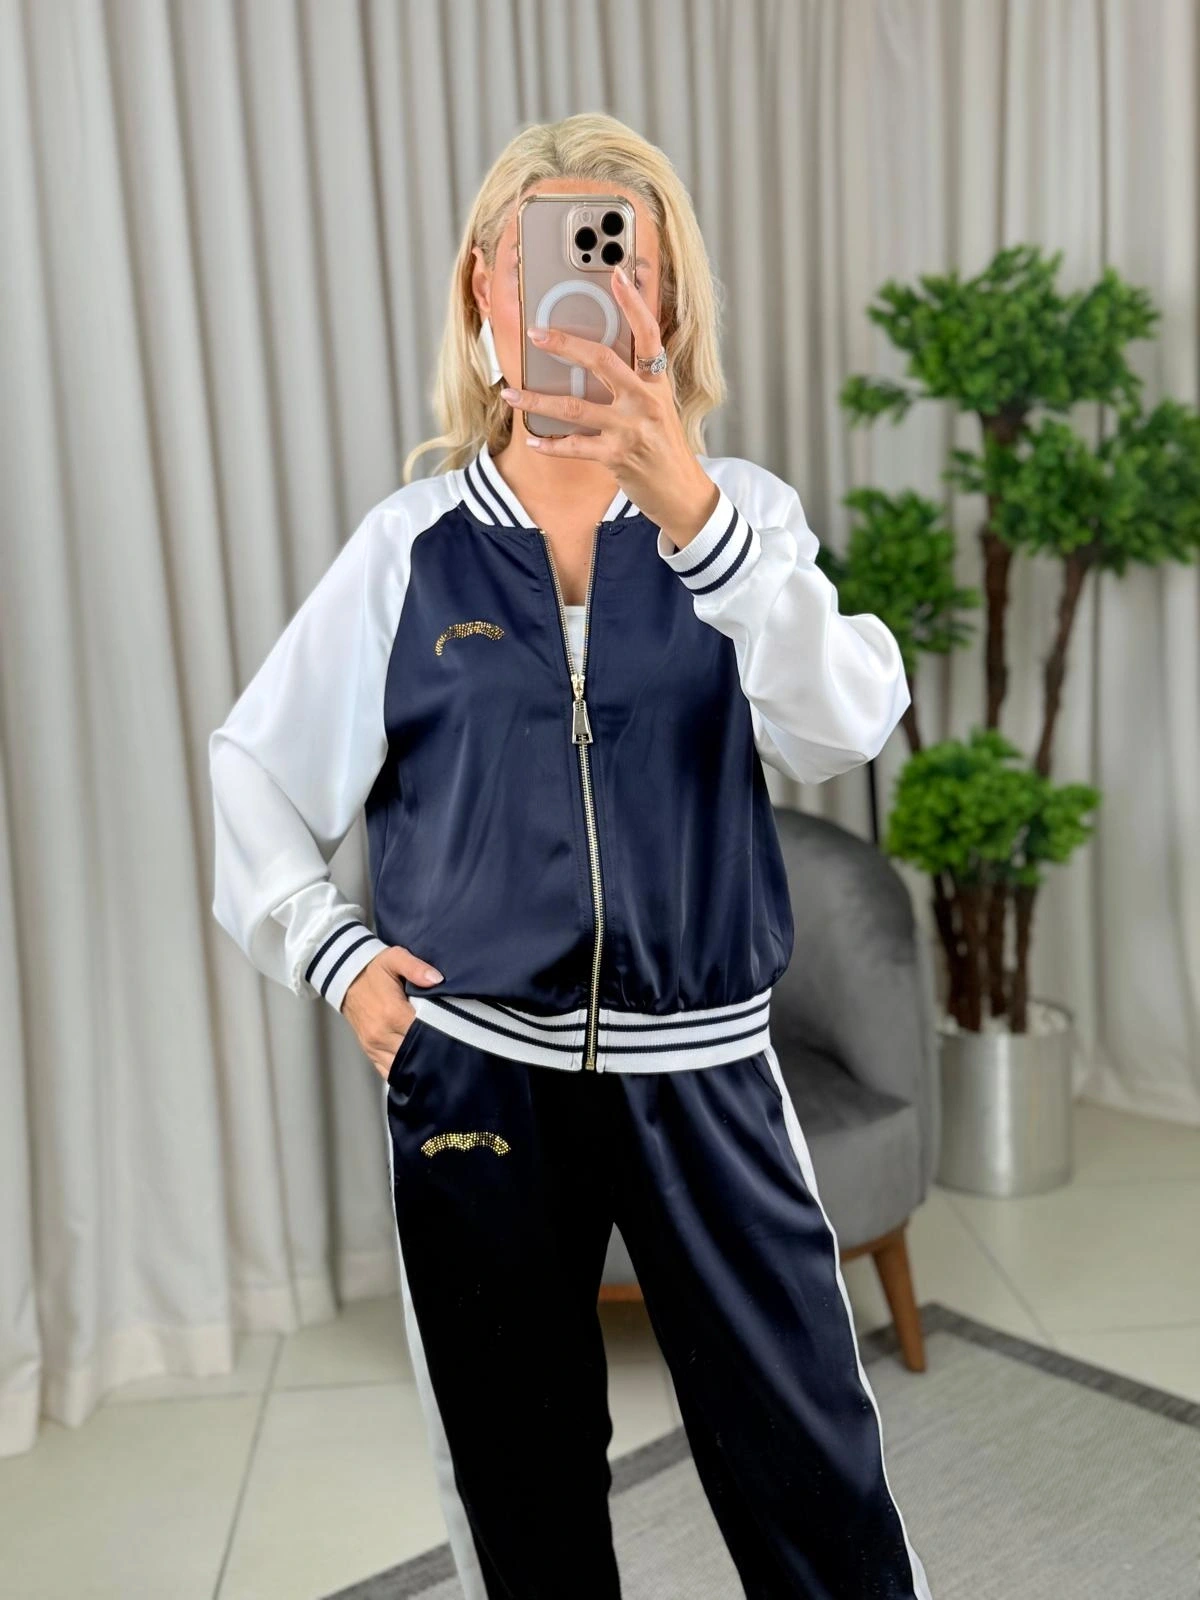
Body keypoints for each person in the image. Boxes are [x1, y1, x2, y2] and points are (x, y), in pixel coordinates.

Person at [209, 111, 933, 1600]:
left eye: (626, 264)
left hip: (709, 1073)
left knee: (818, 1493)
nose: (587, 289)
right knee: (522, 1499)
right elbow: (254, 769)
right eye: (543, 259)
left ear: (666, 302)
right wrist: (333, 955)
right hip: (477, 1082)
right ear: (486, 288)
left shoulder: (744, 522)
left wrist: (697, 520)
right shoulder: (408, 549)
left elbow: (846, 725)